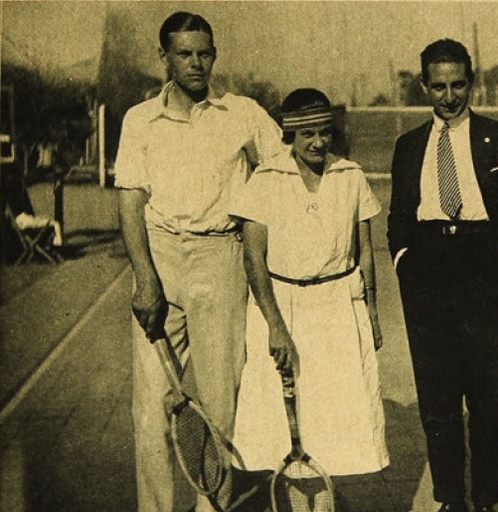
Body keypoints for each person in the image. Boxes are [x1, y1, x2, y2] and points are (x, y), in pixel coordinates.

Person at [115, 12, 283, 512]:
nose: (196, 63)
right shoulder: (138, 119)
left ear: (215, 55)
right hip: (160, 256)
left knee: (218, 408)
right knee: (150, 414)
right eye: (184, 54)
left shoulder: (244, 113)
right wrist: (146, 279)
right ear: (163, 57)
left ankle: (211, 508)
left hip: (220, 258)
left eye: (204, 53)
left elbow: (283, 169)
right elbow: (129, 202)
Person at [387, 38, 498, 512]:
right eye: (438, 86)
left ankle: (487, 499)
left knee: (487, 401)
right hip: (428, 276)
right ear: (423, 86)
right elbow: (398, 218)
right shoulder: (409, 146)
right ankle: (449, 500)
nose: (449, 96)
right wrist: (404, 263)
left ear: (472, 81)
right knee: (437, 405)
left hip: (486, 273)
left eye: (458, 84)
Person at [229, 88, 389, 477]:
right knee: (284, 437)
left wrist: (370, 311)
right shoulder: (265, 179)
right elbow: (254, 261)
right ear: (290, 135)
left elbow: (364, 251)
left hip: (338, 309)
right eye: (307, 135)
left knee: (333, 431)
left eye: (325, 132)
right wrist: (276, 326)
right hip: (281, 309)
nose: (319, 142)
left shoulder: (350, 175)